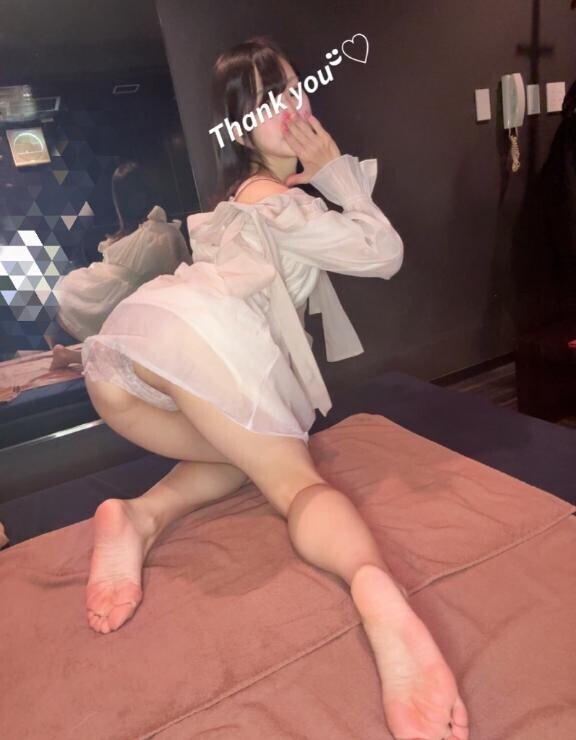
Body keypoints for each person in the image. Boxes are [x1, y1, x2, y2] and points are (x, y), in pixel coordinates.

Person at [80, 36, 469, 740]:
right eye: (265, 102)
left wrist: (321, 179)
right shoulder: (279, 203)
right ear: (239, 130)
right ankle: (377, 595)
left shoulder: (241, 197)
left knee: (245, 458)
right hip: (203, 343)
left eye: (293, 88)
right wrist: (337, 174)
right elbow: (384, 253)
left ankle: (138, 516)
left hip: (134, 365)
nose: (290, 107)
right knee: (298, 483)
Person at [50, 161, 190, 369]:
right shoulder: (162, 234)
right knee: (139, 344)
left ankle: (67, 353)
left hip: (100, 290)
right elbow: (182, 276)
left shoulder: (133, 235)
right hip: (117, 297)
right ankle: (66, 353)